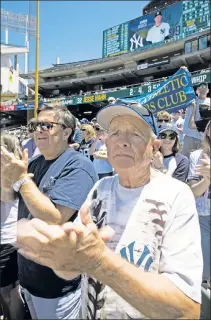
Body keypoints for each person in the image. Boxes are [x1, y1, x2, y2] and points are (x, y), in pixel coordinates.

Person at [16, 100, 202, 319]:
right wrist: (57, 254)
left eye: (134, 134)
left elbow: (186, 311)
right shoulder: (101, 188)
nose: (122, 141)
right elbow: (72, 268)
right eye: (114, 133)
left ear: (154, 146)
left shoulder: (176, 195)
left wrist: (99, 262)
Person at [1, 104, 98, 319]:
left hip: (57, 283)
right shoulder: (34, 162)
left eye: (46, 125)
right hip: (28, 275)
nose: (38, 130)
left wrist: (21, 179)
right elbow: (10, 201)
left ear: (66, 132)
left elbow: (54, 218)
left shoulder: (79, 166)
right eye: (34, 125)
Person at [0, 134, 25, 320]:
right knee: (7, 294)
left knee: (10, 293)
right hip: (9, 239)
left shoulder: (11, 173)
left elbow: (7, 196)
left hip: (6, 240)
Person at [187, 120, 210, 286]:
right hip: (203, 215)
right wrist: (208, 179)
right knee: (205, 267)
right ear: (207, 131)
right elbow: (194, 191)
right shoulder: (196, 156)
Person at [182, 82, 210, 158]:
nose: (203, 88)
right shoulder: (191, 99)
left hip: (203, 138)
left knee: (199, 161)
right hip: (190, 136)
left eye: (205, 87)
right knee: (186, 159)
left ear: (208, 90)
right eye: (201, 87)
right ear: (197, 90)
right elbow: (183, 89)